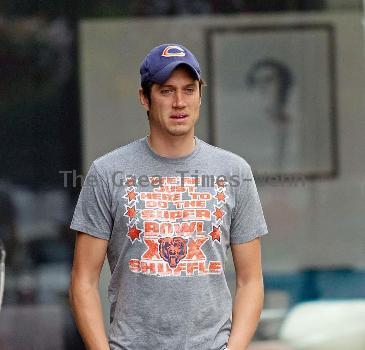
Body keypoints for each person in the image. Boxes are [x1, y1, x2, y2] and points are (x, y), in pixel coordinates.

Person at [69, 43, 269, 350]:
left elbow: (251, 281)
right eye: (166, 90)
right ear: (144, 98)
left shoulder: (234, 171)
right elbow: (83, 281)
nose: (179, 102)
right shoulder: (107, 172)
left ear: (200, 95)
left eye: (189, 90)